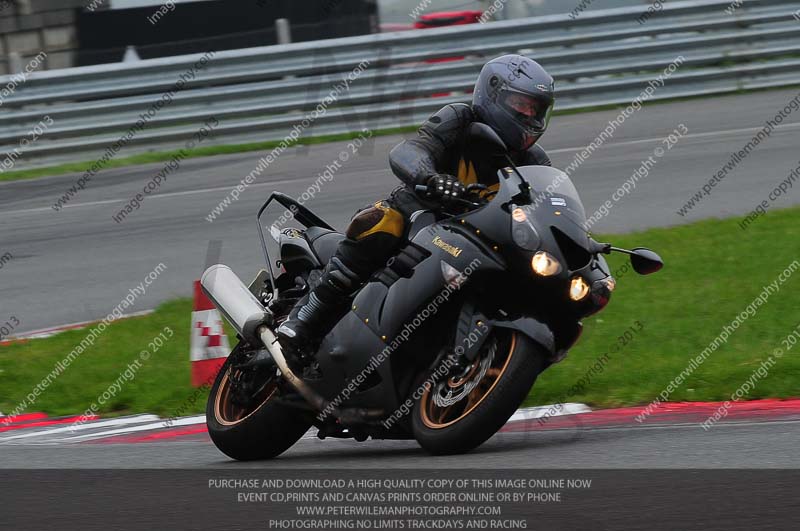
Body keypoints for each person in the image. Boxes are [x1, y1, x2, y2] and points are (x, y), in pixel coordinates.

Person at [277, 54, 555, 360]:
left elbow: (547, 210)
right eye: (521, 104)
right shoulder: (459, 118)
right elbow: (411, 150)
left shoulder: (535, 161)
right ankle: (303, 318)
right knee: (382, 223)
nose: (529, 114)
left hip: (478, 239)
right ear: (492, 94)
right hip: (423, 212)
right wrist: (431, 178)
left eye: (536, 108)